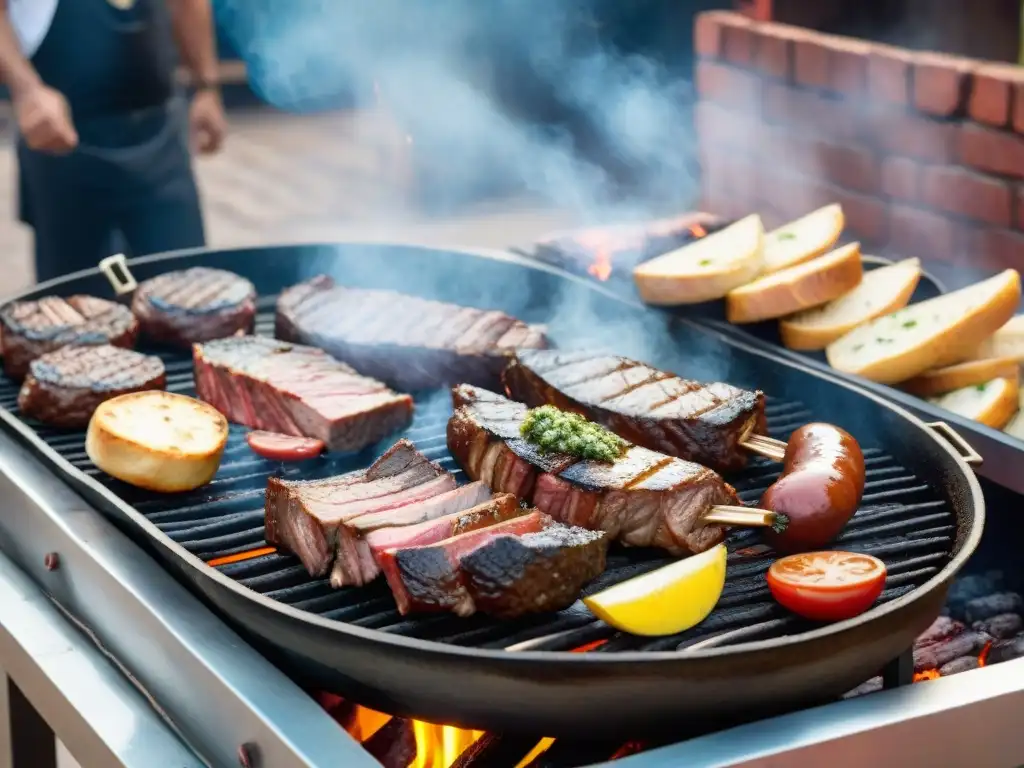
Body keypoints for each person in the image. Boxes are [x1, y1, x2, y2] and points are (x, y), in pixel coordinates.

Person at [0, 0, 227, 282]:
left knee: (187, 287)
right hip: (63, 142)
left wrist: (206, 86)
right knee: (77, 300)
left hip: (161, 136)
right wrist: (26, 90)